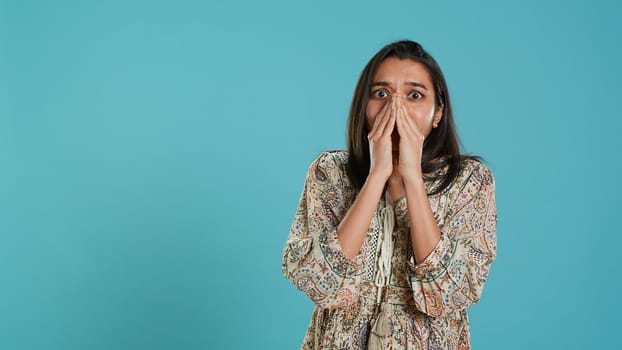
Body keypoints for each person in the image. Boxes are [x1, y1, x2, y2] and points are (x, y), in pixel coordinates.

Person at [281, 40, 497, 350]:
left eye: (414, 95)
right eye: (381, 94)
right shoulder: (330, 172)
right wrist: (377, 176)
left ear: (438, 112)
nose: (396, 109)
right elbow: (317, 281)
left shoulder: (469, 181)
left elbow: (451, 292)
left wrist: (410, 178)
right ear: (363, 107)